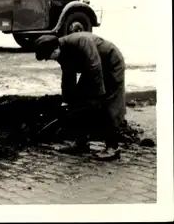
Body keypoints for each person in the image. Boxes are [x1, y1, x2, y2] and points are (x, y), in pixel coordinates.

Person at [34, 32, 126, 161]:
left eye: (49, 57)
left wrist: (98, 96)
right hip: (92, 69)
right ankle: (81, 143)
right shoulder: (61, 52)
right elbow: (67, 77)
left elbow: (95, 66)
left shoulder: (82, 41)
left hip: (111, 64)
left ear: (55, 49)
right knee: (80, 103)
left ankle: (113, 147)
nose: (49, 60)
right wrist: (67, 100)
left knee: (108, 104)